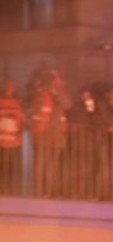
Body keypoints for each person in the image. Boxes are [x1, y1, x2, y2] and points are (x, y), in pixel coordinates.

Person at [27, 66, 68, 198]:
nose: (57, 81)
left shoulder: (61, 94)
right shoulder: (40, 93)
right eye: (54, 79)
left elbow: (67, 105)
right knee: (40, 164)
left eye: (57, 78)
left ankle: (49, 191)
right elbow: (33, 105)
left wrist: (57, 94)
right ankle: (38, 191)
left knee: (53, 166)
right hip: (42, 135)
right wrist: (42, 90)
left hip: (56, 136)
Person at [0, 78, 23, 196]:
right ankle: (4, 190)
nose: (10, 90)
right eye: (8, 87)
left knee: (11, 168)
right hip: (4, 141)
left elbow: (21, 119)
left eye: (11, 87)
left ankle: (11, 191)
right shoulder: (3, 101)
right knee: (4, 167)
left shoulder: (17, 102)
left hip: (13, 141)